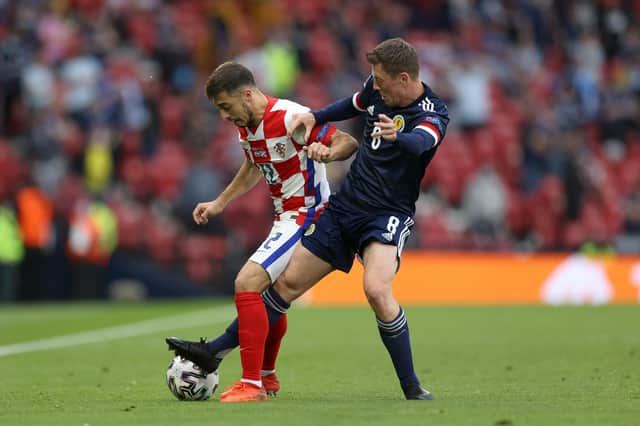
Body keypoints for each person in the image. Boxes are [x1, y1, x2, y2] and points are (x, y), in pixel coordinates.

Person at [251, 37, 450, 400]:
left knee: (376, 289)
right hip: (347, 208)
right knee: (285, 286)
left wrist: (398, 136)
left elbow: (422, 143)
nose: (374, 84)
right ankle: (215, 355)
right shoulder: (377, 91)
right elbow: (352, 104)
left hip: (387, 215)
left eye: (380, 79)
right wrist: (316, 115)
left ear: (403, 79)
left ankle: (411, 386)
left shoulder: (433, 112)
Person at [166, 61, 358, 403]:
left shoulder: (290, 117)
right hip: (286, 217)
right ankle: (267, 378)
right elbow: (254, 164)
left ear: (248, 94)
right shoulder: (248, 126)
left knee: (246, 283)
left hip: (308, 215)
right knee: (269, 294)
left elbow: (347, 141)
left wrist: (328, 153)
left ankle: (251, 384)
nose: (225, 117)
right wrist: (219, 203)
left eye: (226, 107)